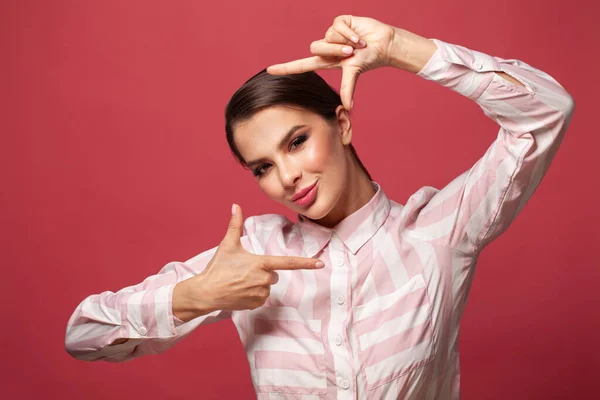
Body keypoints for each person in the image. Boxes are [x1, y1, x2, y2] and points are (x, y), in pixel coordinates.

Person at [64, 15, 575, 400]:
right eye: (261, 167)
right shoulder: (254, 255)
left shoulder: (437, 233)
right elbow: (84, 335)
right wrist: (196, 295)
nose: (286, 177)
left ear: (344, 124)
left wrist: (401, 49)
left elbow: (545, 112)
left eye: (297, 141)